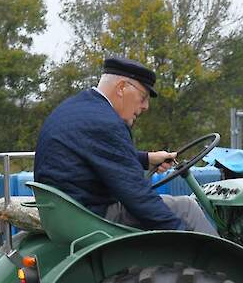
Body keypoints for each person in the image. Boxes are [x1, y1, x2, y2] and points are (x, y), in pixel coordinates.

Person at [33, 57, 217, 235]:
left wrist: (146, 159)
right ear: (121, 88)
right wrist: (182, 235)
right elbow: (137, 196)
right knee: (186, 208)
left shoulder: (78, 108)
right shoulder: (106, 123)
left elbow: (98, 154)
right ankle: (222, 264)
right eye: (143, 97)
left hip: (68, 214)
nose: (146, 107)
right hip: (92, 217)